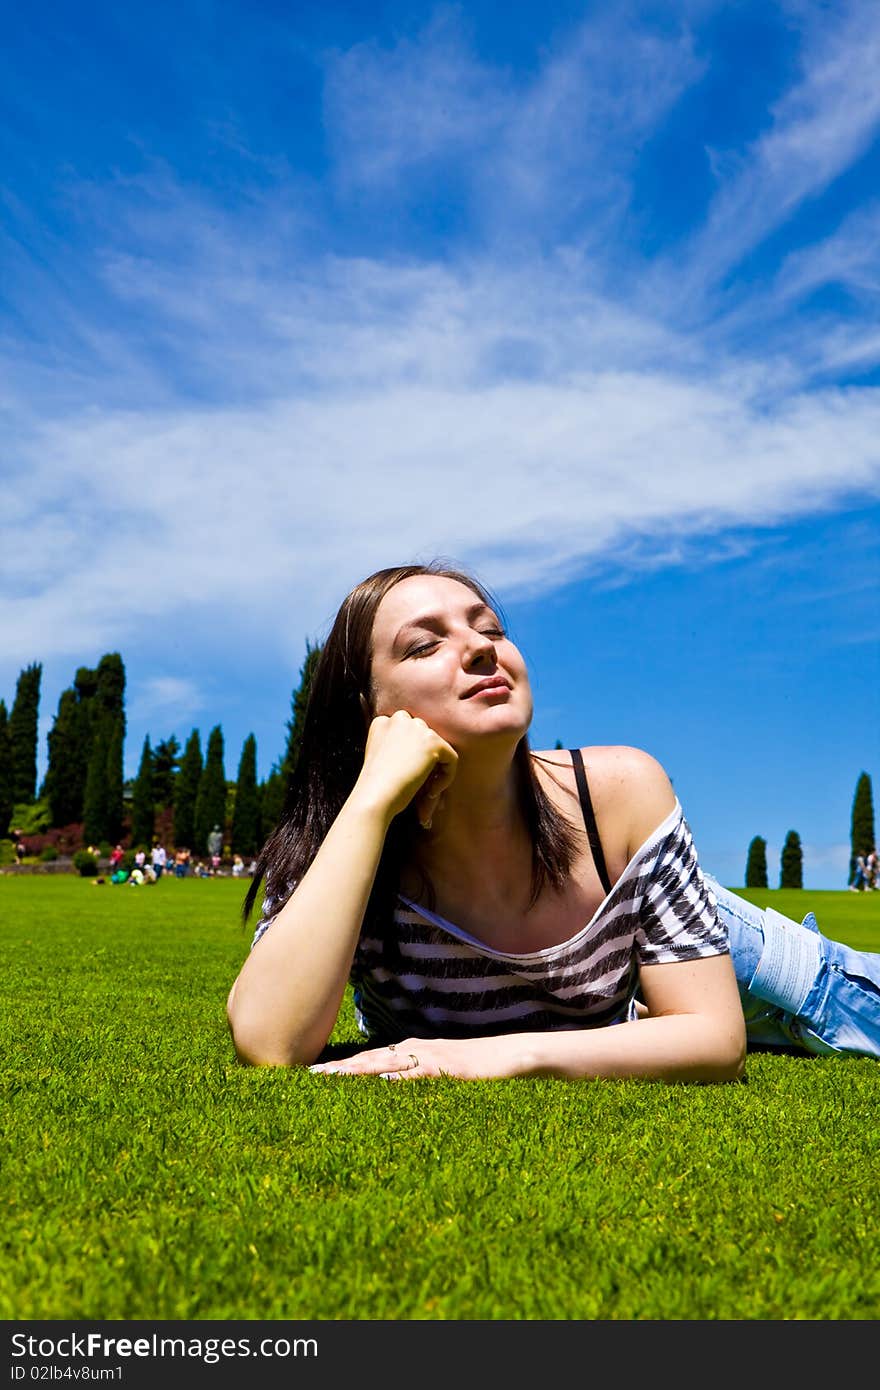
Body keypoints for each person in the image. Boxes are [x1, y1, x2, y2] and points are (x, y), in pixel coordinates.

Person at [226, 561, 880, 1079]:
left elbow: (713, 1038)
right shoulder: (344, 846)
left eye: (489, 629)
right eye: (425, 645)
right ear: (367, 709)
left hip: (765, 980)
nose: (481, 650)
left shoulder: (618, 790)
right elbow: (268, 1041)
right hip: (635, 1011)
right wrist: (369, 802)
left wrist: (491, 1057)